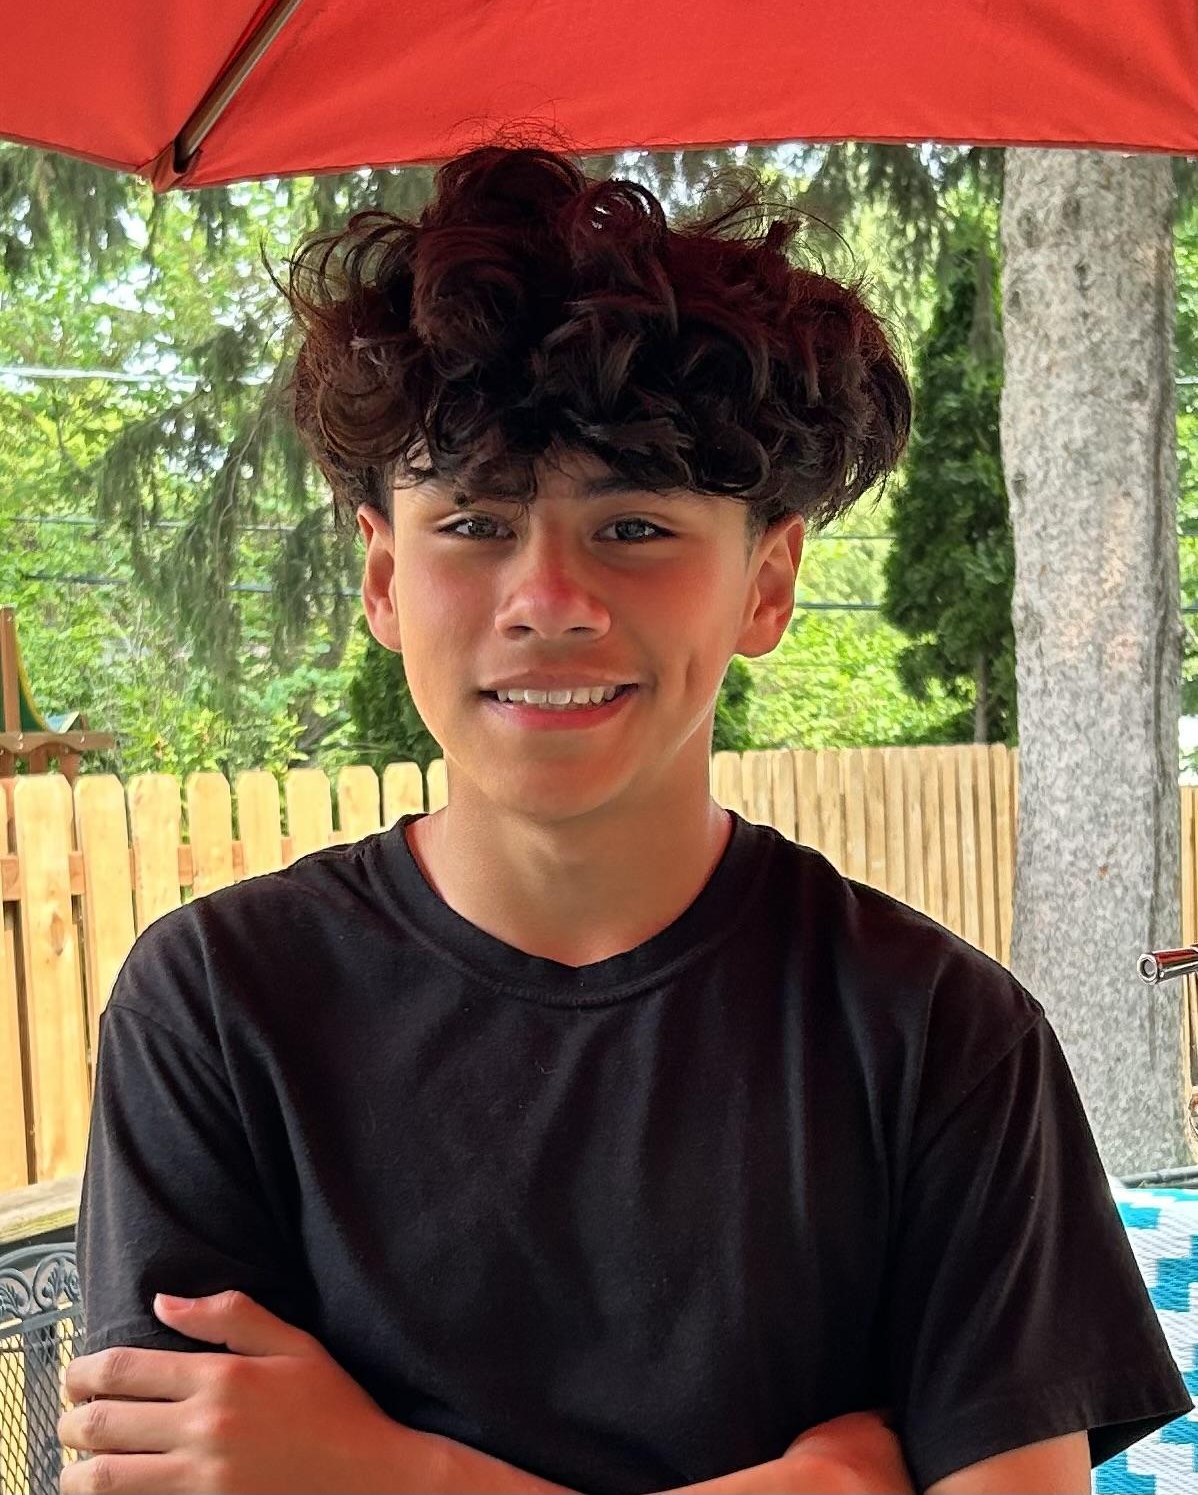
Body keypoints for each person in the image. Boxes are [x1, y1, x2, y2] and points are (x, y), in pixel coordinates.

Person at [69, 142, 1191, 1495]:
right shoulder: (219, 1005)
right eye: (475, 523)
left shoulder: (939, 1034)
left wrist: (391, 1475)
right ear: (382, 576)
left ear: (765, 583)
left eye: (636, 528)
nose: (548, 600)